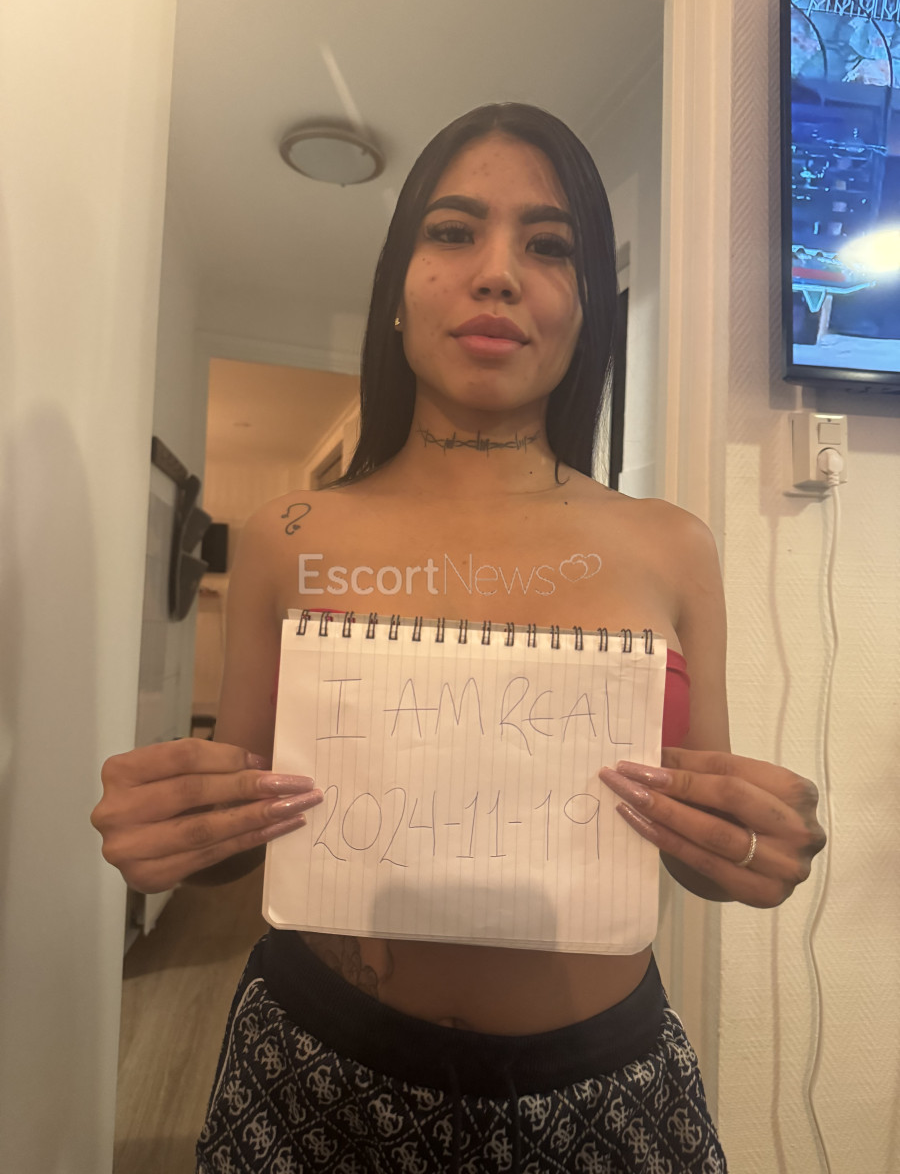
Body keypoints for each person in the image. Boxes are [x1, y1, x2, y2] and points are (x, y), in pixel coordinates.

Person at [92, 103, 826, 1173]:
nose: (497, 274)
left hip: (602, 1083)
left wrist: (752, 845)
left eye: (549, 246)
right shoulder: (289, 534)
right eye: (452, 231)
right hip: (314, 1067)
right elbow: (247, 828)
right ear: (397, 287)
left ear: (588, 308)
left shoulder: (674, 547)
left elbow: (696, 840)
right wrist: (178, 830)